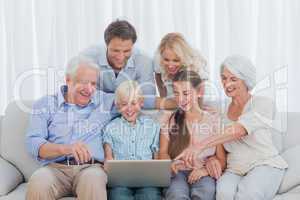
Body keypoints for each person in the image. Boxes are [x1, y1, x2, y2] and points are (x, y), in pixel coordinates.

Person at [176, 55, 288, 200]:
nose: (227, 84)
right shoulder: (221, 113)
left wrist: (199, 146)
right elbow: (219, 147)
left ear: (246, 80)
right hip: (234, 169)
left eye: (233, 79)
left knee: (248, 194)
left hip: (263, 164)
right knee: (223, 193)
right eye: (224, 78)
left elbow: (238, 130)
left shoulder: (263, 103)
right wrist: (211, 160)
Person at [26, 56, 115, 200]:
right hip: (55, 169)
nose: (90, 89)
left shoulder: (104, 101)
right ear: (68, 80)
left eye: (93, 84)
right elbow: (33, 142)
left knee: (93, 180)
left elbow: (138, 98)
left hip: (90, 168)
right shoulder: (45, 104)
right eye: (84, 83)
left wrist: (165, 104)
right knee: (38, 182)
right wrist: (66, 148)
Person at [158, 70, 226, 200]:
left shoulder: (213, 121)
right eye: (176, 94)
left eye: (186, 93)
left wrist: (204, 171)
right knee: (176, 194)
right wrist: (168, 164)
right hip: (177, 172)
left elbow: (221, 160)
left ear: (199, 92)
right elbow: (163, 152)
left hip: (202, 171)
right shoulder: (169, 119)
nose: (180, 99)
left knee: (206, 192)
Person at [81, 19, 175, 109]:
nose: (120, 57)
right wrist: (126, 98)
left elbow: (146, 98)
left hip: (132, 112)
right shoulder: (89, 58)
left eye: (126, 51)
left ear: (133, 46)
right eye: (115, 50)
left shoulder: (144, 60)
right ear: (106, 45)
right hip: (98, 110)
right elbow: (85, 94)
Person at [103, 80, 161, 200]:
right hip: (120, 183)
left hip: (147, 181)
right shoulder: (111, 128)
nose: (129, 109)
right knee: (118, 196)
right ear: (117, 105)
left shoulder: (152, 126)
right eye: (124, 104)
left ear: (141, 103)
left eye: (133, 103)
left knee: (150, 196)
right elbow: (108, 158)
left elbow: (157, 157)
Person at [154, 32, 208, 98]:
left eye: (176, 60)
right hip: (172, 86)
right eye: (166, 60)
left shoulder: (195, 62)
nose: (170, 65)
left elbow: (200, 93)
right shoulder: (159, 58)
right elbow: (158, 76)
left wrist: (198, 107)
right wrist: (164, 98)